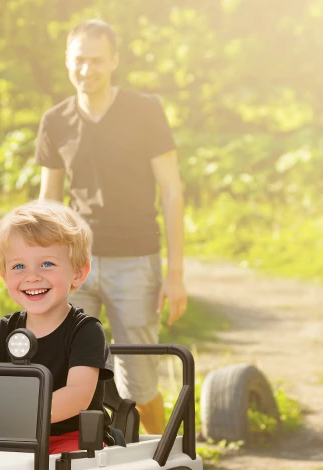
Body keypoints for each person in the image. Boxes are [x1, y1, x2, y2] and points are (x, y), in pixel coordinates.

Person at [36, 18, 187, 434]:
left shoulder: (145, 111)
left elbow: (172, 191)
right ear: (67, 61)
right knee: (71, 376)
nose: (87, 70)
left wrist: (174, 274)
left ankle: (161, 459)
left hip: (135, 262)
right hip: (75, 266)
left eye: (97, 61)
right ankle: (82, 462)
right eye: (79, 61)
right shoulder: (55, 121)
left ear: (114, 61)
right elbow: (48, 205)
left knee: (136, 382)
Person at [0, 200, 113, 455]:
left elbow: (77, 395)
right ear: (4, 276)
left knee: (67, 466)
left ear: (79, 273)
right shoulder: (4, 329)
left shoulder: (85, 330)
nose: (32, 276)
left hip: (74, 437)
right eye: (18, 266)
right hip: (15, 437)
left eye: (46, 264)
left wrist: (16, 414)